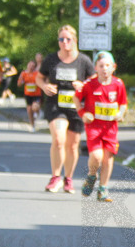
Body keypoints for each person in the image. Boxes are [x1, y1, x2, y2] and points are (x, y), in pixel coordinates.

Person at [36, 25, 94, 193]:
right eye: (61, 39)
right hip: (56, 105)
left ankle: (68, 178)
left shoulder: (84, 61)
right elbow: (39, 78)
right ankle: (55, 177)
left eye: (68, 39)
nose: (64, 42)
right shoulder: (51, 59)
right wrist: (45, 86)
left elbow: (94, 84)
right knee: (59, 139)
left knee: (73, 144)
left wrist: (83, 85)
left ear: (75, 40)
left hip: (76, 107)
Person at [77, 51, 127, 202]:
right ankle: (92, 175)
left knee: (108, 158)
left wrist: (121, 113)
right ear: (95, 68)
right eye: (101, 66)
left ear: (113, 67)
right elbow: (76, 98)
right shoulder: (89, 84)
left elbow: (123, 103)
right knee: (97, 156)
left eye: (107, 65)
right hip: (94, 127)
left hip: (110, 128)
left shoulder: (118, 84)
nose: (104, 69)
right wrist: (82, 113)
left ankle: (103, 188)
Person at [19, 60, 42, 131]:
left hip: (36, 94)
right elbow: (19, 84)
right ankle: (32, 125)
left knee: (35, 107)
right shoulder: (23, 74)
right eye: (30, 65)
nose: (31, 67)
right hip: (28, 94)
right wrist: (21, 80)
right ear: (27, 65)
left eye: (33, 66)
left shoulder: (37, 73)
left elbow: (42, 81)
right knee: (29, 110)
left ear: (34, 67)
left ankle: (38, 112)